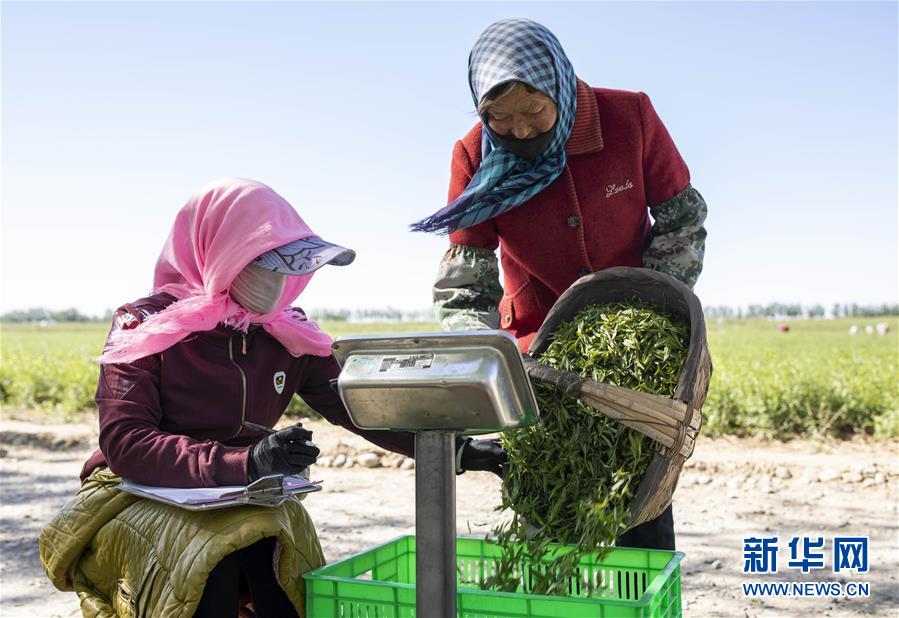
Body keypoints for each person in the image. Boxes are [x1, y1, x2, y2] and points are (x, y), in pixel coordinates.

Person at [40, 178, 506, 617]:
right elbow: (126, 444)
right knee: (210, 559)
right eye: (262, 264)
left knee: (280, 554)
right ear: (215, 253)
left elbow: (359, 405)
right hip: (134, 492)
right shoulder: (145, 324)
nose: (277, 282)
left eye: (287, 267)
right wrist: (247, 461)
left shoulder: (284, 331)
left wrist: (456, 449)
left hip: (241, 492)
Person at [412, 19, 708, 551]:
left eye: (534, 112)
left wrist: (653, 309)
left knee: (638, 487)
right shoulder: (476, 154)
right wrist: (483, 350)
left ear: (560, 87)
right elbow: (466, 280)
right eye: (500, 118)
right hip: (540, 352)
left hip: (637, 346)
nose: (520, 131)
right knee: (548, 495)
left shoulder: (629, 118)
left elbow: (682, 219)